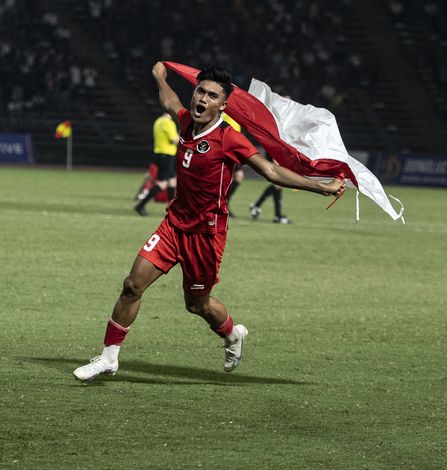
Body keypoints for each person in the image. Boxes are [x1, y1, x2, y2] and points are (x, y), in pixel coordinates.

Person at [73, 62, 345, 381]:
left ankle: (232, 336)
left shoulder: (229, 139)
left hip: (205, 236)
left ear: (223, 105)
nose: (202, 98)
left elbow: (270, 171)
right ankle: (109, 358)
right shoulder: (187, 122)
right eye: (200, 91)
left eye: (212, 95)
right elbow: (169, 102)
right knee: (132, 285)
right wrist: (160, 76)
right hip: (173, 226)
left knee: (197, 305)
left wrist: (322, 187)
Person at [134, 111, 180, 215]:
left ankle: (173, 210)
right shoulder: (169, 123)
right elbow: (173, 140)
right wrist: (181, 138)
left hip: (159, 153)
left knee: (172, 182)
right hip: (167, 155)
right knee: (162, 183)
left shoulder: (158, 121)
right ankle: (140, 205)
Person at [249, 155, 292, 224]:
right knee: (278, 185)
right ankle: (277, 215)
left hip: (275, 159)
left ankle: (257, 206)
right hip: (273, 159)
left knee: (278, 185)